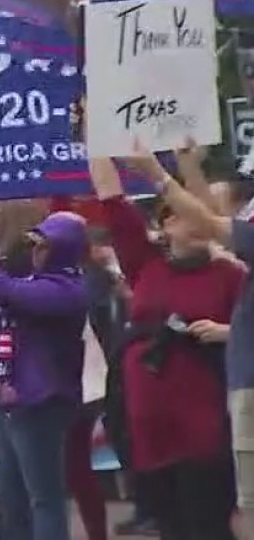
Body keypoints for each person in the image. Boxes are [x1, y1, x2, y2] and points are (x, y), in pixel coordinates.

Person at [88, 152, 242, 540]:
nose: (199, 220)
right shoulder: (145, 262)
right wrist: (97, 131)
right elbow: (111, 198)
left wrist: (225, 331)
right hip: (149, 425)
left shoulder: (229, 274)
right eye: (185, 214)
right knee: (169, 525)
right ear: (166, 224)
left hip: (204, 424)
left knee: (206, 525)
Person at [0, 210, 90, 540]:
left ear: (63, 249)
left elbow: (3, 291)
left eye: (44, 245)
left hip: (42, 402)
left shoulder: (67, 289)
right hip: (11, 400)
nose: (35, 251)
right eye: (34, 244)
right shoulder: (37, 281)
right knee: (10, 495)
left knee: (43, 498)